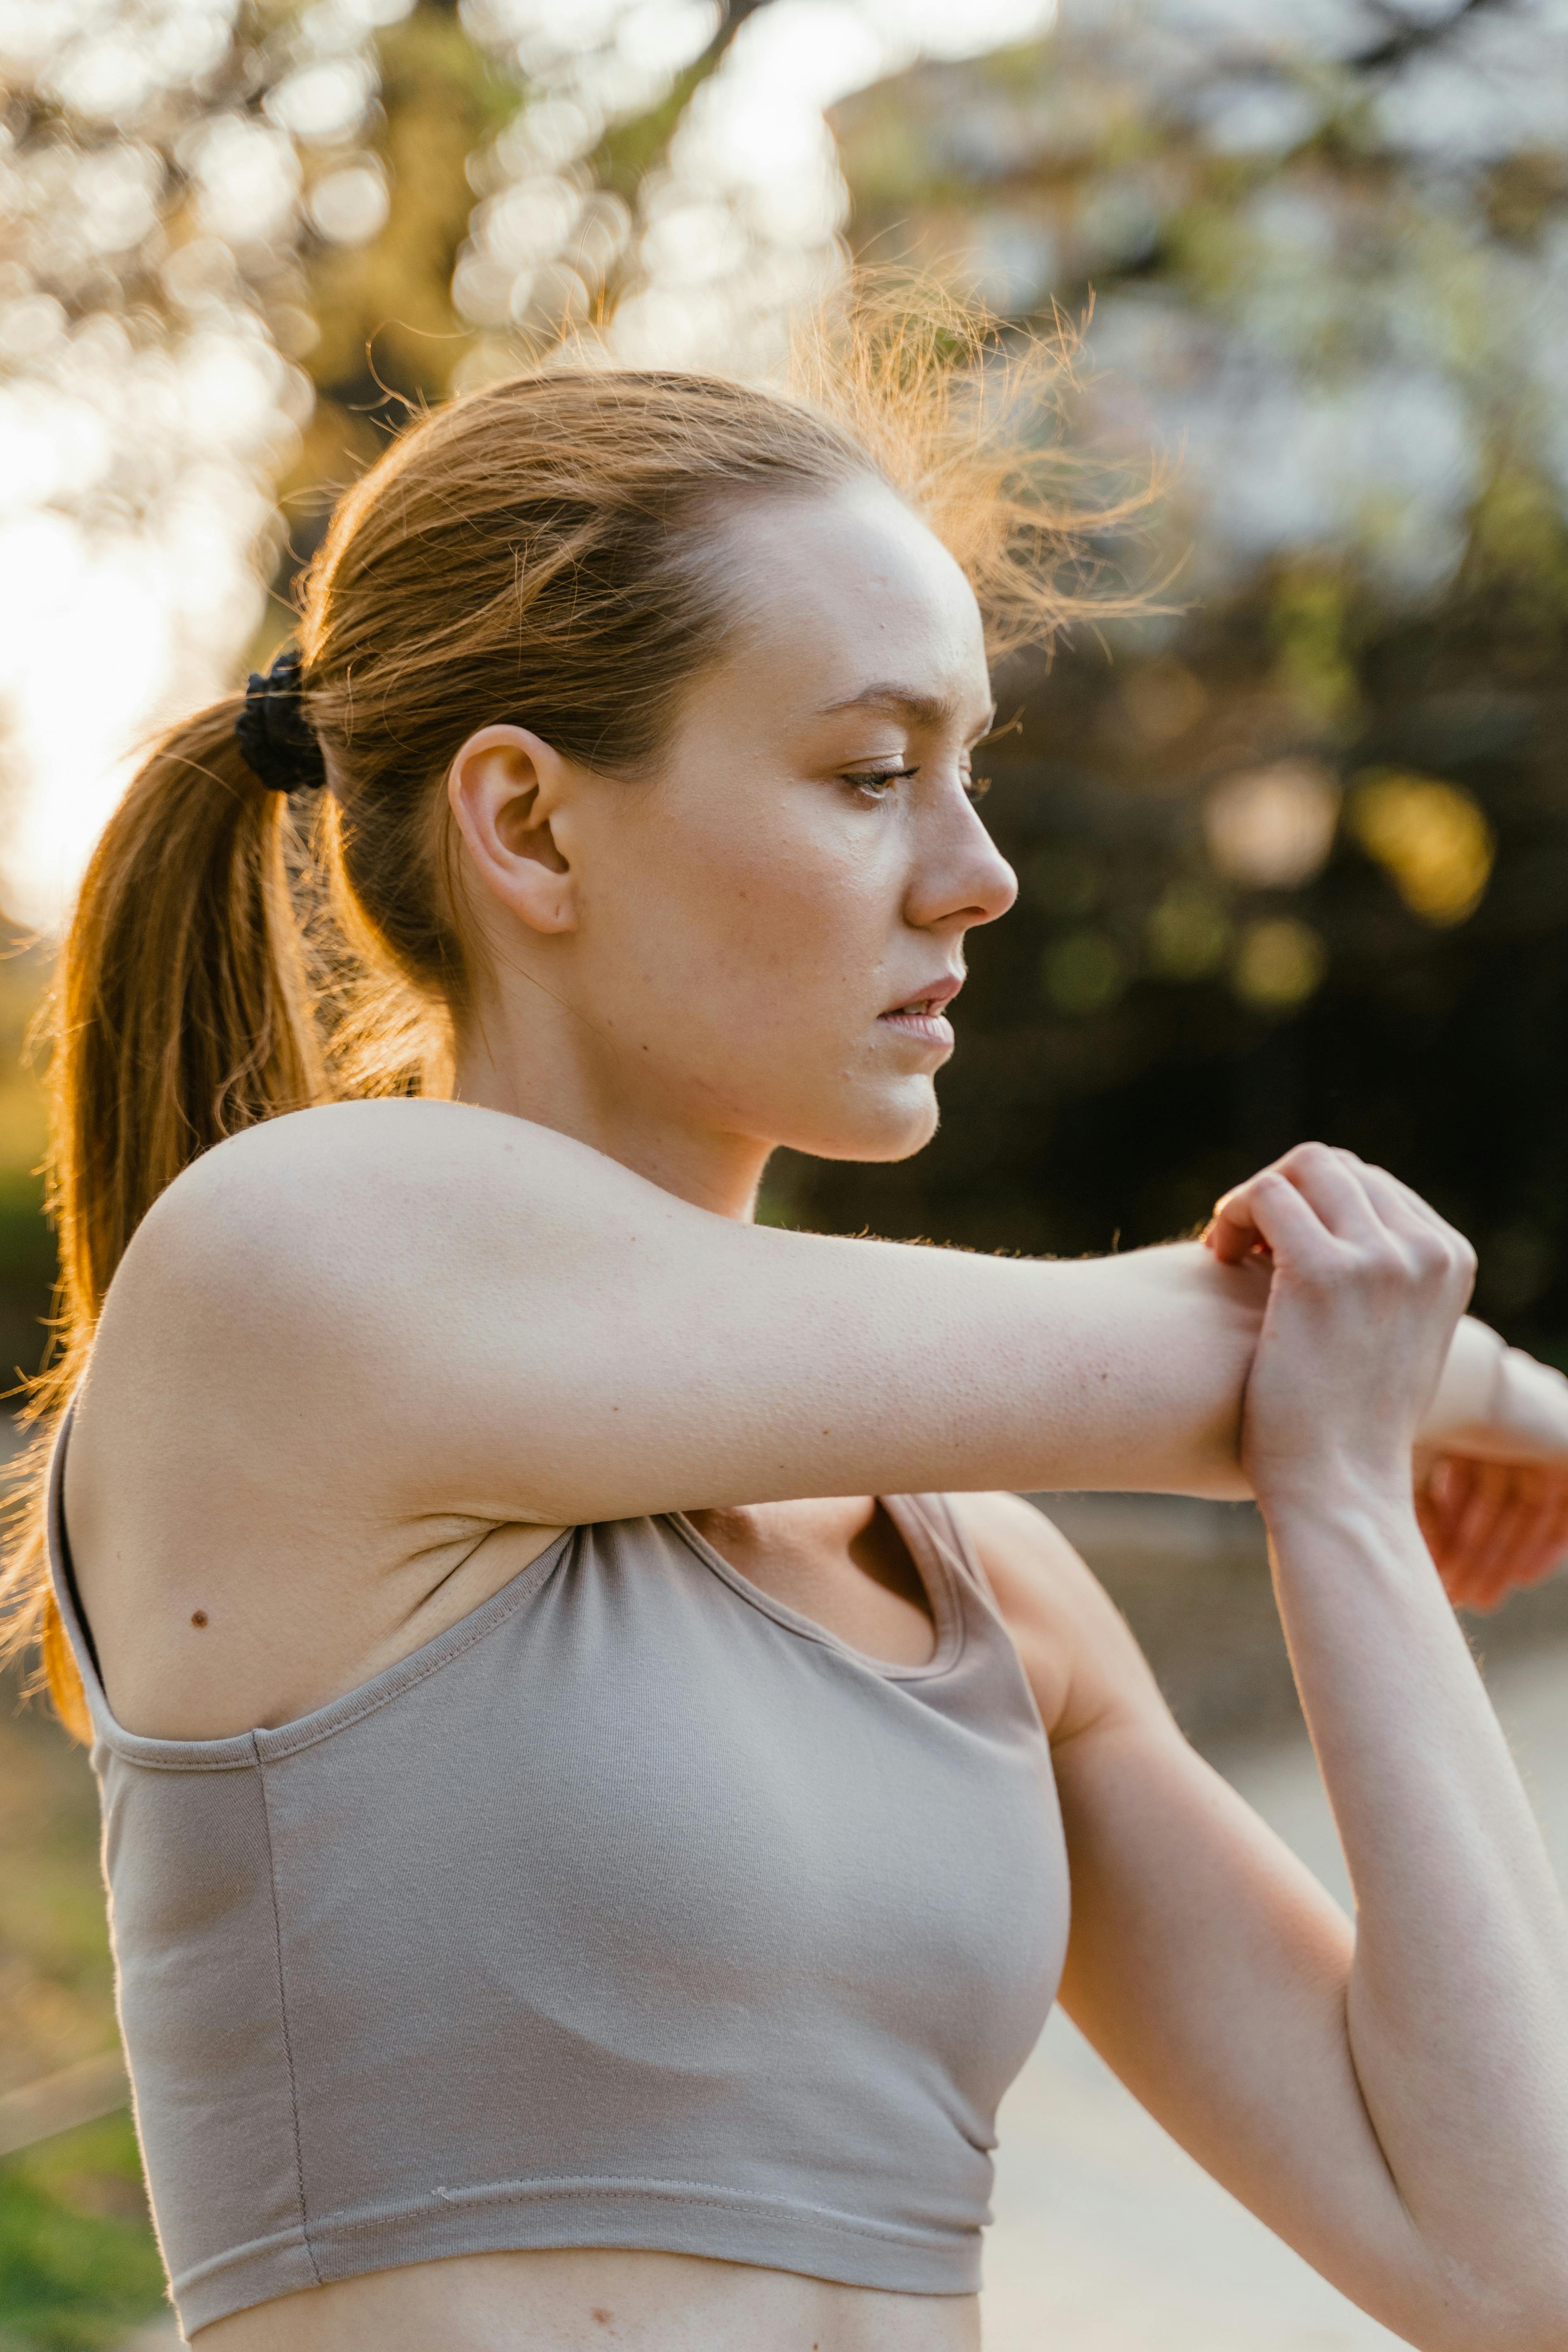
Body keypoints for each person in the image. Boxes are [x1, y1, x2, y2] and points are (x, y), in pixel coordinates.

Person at [5, 299, 1568, 2352]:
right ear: (530, 823)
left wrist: (1353, 1510)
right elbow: (1218, 1364)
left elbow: (1505, 2259)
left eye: (969, 772)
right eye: (868, 773)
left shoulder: (971, 1574)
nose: (981, 874)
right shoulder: (299, 1266)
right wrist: (1447, 1397)